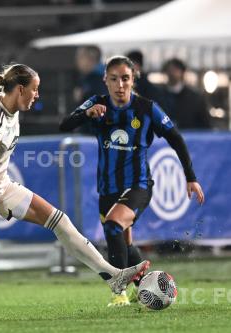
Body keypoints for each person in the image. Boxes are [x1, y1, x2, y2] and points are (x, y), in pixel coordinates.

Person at [0, 63, 150, 319]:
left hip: (0, 184)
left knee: (59, 220)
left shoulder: (9, 106)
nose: (37, 96)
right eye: (35, 90)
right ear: (20, 88)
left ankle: (114, 277)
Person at [59, 56, 204, 306]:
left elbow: (176, 138)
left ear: (133, 79)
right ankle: (148, 287)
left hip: (139, 185)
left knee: (115, 225)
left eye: (125, 78)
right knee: (123, 242)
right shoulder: (97, 103)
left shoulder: (147, 109)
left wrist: (190, 177)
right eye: (113, 79)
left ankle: (119, 293)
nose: (120, 84)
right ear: (105, 80)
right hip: (107, 189)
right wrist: (86, 114)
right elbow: (65, 125)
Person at [162, 58, 211, 129]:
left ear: (182, 72)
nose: (172, 73)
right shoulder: (159, 96)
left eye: (175, 70)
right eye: (169, 70)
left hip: (190, 137)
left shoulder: (195, 98)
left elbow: (205, 124)